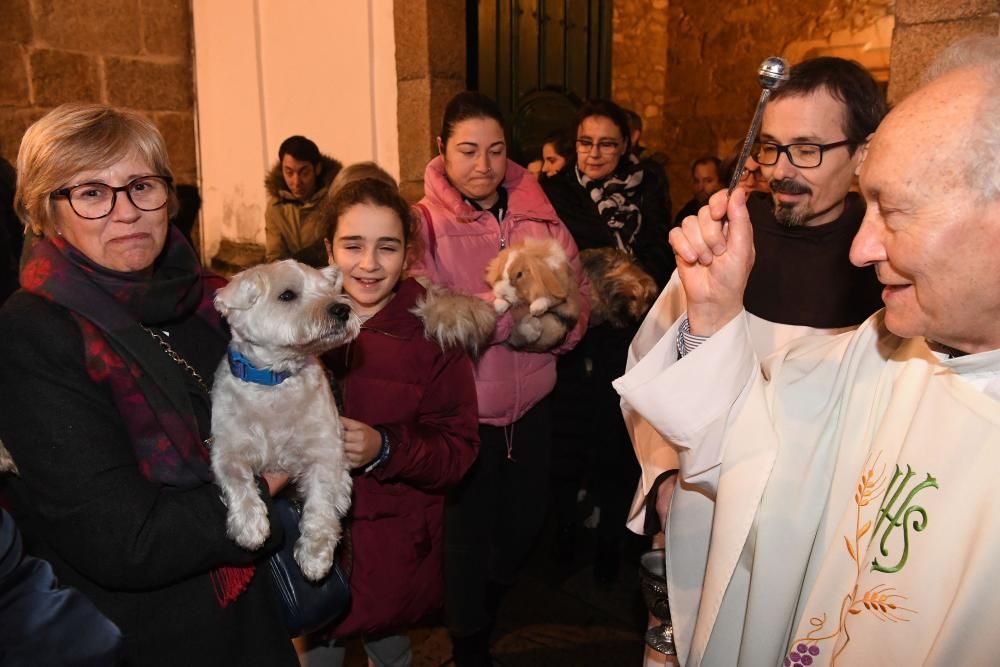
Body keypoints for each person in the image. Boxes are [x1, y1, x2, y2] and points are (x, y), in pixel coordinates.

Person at [616, 36, 1000, 666]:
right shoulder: (880, 350)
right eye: (771, 147)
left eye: (895, 212)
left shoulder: (881, 334)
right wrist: (712, 320)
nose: (862, 250)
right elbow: (751, 436)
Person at [0, 103, 298, 666]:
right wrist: (276, 470)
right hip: (148, 636)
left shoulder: (201, 298)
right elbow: (127, 541)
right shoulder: (33, 332)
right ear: (46, 212)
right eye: (91, 192)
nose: (127, 211)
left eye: (141, 185)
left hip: (249, 609)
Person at [624, 57, 888, 551]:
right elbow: (652, 367)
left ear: (863, 154)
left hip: (819, 531)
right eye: (771, 148)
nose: (780, 171)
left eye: (807, 150)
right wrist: (661, 475)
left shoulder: (887, 263)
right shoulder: (725, 241)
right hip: (704, 509)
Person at [410, 90, 590, 667]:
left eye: (495, 150)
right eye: (467, 150)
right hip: (467, 413)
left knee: (523, 526)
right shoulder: (424, 223)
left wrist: (561, 330)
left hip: (534, 403)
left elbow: (579, 293)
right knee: (466, 538)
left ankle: (487, 601)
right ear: (441, 149)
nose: (482, 165)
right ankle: (468, 641)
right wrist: (507, 313)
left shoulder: (538, 210)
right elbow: (430, 321)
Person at [301, 174, 480, 667]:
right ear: (328, 247)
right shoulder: (295, 323)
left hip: (394, 542)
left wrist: (384, 447)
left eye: (387, 247)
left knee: (389, 644)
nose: (369, 264)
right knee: (319, 649)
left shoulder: (433, 336)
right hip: (313, 536)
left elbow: (458, 450)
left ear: (408, 253)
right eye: (352, 245)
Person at [541, 99, 673, 584]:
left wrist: (628, 281)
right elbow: (554, 257)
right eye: (585, 143)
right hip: (574, 335)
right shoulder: (554, 191)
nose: (594, 154)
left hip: (633, 334)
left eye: (606, 144)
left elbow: (663, 249)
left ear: (626, 145)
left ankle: (611, 552)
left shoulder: (650, 186)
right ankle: (561, 543)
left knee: (619, 443)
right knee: (568, 441)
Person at [265, 134, 342, 266]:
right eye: (289, 173)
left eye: (304, 173)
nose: (296, 182)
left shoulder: (336, 199)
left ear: (317, 169)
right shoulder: (275, 207)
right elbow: (275, 257)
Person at [673, 156, 723, 225]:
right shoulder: (687, 212)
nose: (700, 187)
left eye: (708, 181)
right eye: (696, 181)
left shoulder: (729, 212)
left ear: (721, 182)